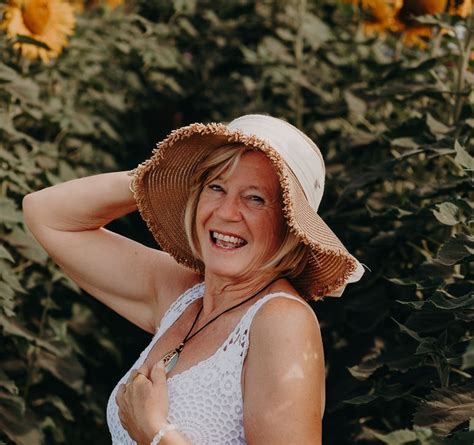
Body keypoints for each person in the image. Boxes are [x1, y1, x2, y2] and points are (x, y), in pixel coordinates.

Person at [22, 114, 364, 444]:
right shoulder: (185, 293)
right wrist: (158, 176)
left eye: (255, 198)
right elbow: (46, 214)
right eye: (216, 187)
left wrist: (154, 433)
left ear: (290, 226)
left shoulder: (280, 322)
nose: (226, 212)